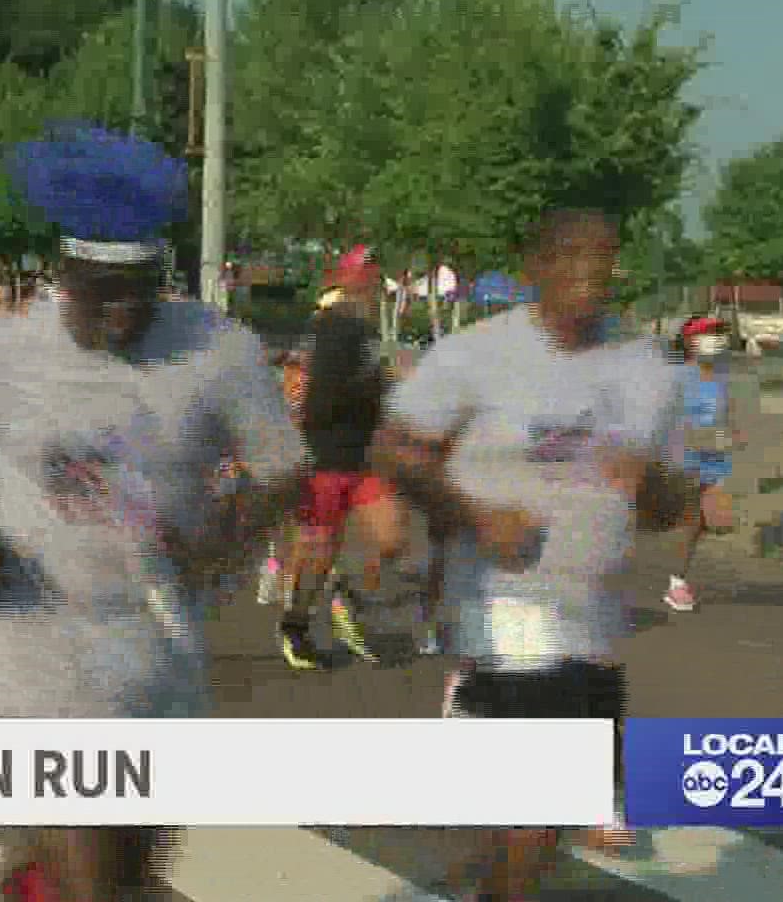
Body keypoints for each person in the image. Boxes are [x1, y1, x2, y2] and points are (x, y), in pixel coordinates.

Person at [0, 123, 306, 902]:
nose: (121, 315)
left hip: (156, 631)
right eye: (100, 294)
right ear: (64, 274)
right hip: (38, 632)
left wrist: (218, 541)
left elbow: (283, 470)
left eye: (139, 293)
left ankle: (26, 876)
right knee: (96, 867)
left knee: (135, 861)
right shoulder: (0, 351)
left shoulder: (216, 351)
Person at [373, 209, 689, 901]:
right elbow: (395, 450)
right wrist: (474, 517)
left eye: (602, 257)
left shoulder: (646, 369)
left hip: (596, 619)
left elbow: (668, 507)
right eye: (570, 256)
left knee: (542, 821)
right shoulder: (475, 355)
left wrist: (653, 477)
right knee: (541, 812)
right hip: (505, 600)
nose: (588, 272)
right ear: (534, 268)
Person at [277, 246, 404, 670]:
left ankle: (341, 595)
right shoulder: (327, 329)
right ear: (345, 280)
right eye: (365, 274)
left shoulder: (367, 333)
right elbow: (311, 392)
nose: (371, 284)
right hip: (325, 458)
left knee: (392, 537)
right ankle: (296, 625)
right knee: (317, 546)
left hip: (364, 457)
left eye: (374, 275)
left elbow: (376, 384)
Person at [664, 314, 741, 612]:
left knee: (712, 521)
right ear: (689, 341)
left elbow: (725, 419)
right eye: (709, 333)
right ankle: (677, 584)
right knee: (691, 518)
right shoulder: (677, 378)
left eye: (720, 333)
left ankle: (675, 575)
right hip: (681, 457)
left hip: (712, 456)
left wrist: (732, 436)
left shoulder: (721, 379)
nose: (717, 339)